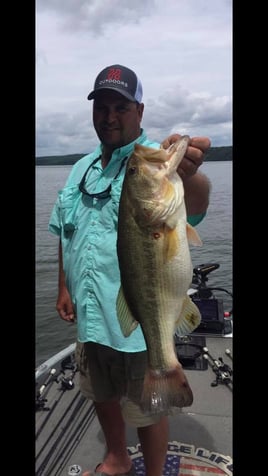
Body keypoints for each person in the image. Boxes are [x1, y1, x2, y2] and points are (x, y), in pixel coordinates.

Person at [48, 64, 211, 476]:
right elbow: (66, 231)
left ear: (139, 110)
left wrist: (189, 173)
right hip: (90, 316)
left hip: (140, 320)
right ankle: (117, 458)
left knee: (148, 408)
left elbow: (195, 201)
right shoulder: (79, 169)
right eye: (101, 107)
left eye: (120, 106)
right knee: (100, 392)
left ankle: (153, 472)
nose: (109, 116)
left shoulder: (153, 161)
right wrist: (63, 287)